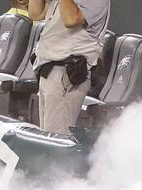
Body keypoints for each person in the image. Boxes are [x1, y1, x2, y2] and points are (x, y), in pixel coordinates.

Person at [27, 0, 110, 135]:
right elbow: (35, 13)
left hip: (67, 73)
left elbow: (71, 19)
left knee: (55, 142)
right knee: (46, 139)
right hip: (48, 69)